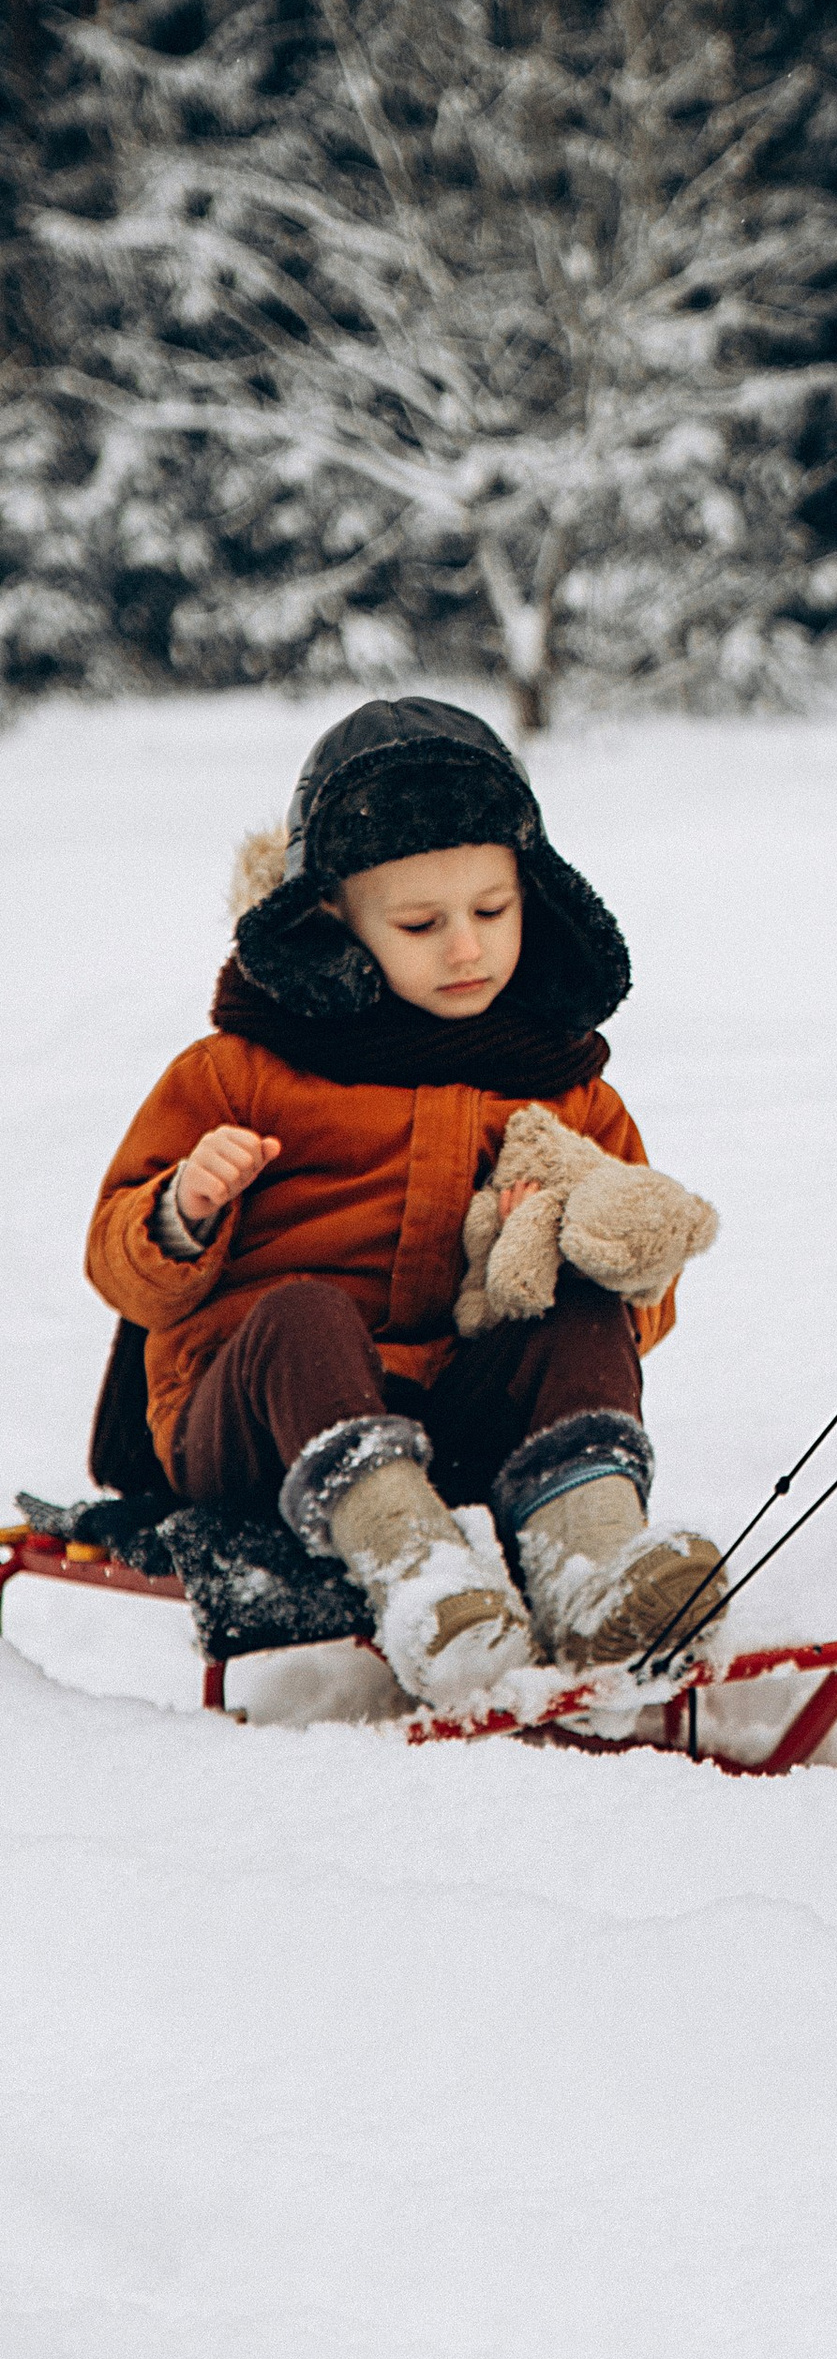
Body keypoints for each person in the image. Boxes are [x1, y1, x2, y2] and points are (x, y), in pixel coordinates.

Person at [85, 698, 722, 1703]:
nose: (464, 949)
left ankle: (593, 1566)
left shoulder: (564, 1091)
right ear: (333, 918)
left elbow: (645, 1316)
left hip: (455, 1417)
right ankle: (421, 1580)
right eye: (421, 924)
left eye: (492, 911)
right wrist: (183, 1210)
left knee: (584, 1309)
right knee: (302, 1312)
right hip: (252, 1425)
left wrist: (577, 1248)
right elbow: (117, 1263)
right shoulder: (242, 1069)